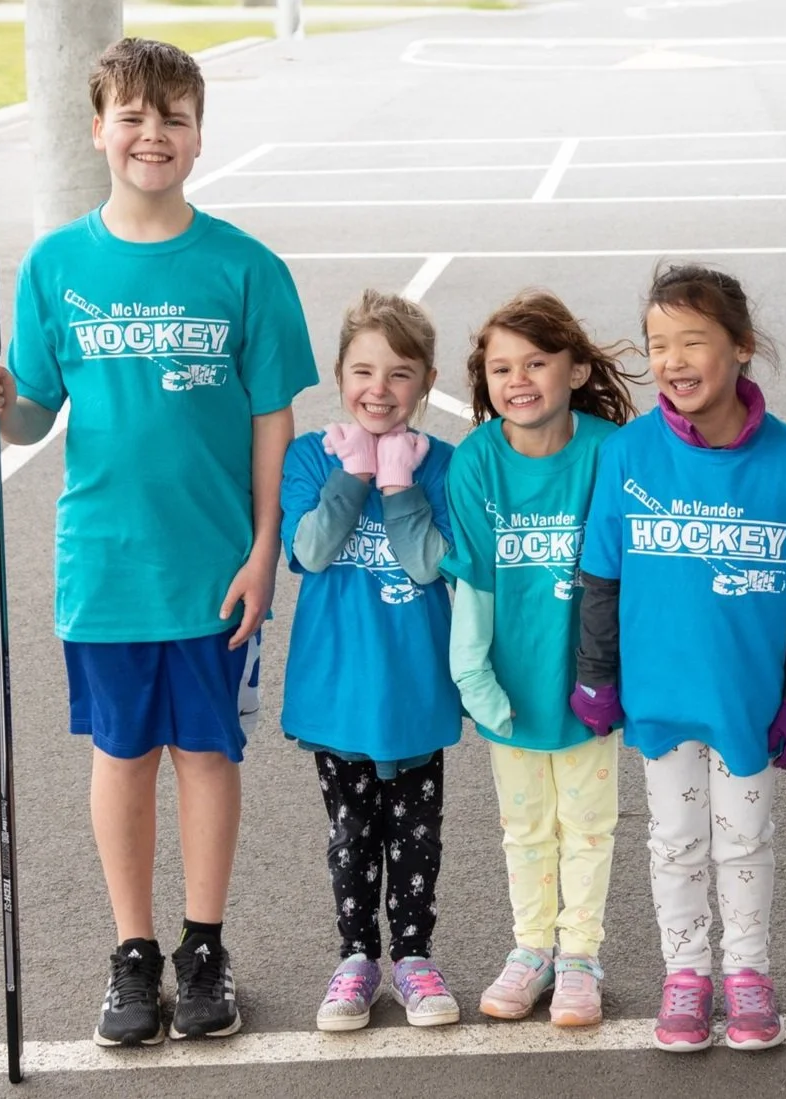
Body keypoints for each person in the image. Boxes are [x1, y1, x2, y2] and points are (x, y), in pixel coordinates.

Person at [0, 38, 316, 1047]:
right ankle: (134, 953)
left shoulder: (245, 269)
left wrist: (263, 551)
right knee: (122, 754)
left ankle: (205, 947)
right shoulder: (58, 265)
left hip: (212, 567)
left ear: (198, 134)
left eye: (173, 118)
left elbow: (271, 427)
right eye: (132, 116)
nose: (151, 136)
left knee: (207, 752)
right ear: (97, 130)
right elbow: (33, 415)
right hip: (106, 563)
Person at [574, 264, 786, 1053]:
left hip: (745, 700)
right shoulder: (628, 454)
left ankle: (748, 973)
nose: (674, 361)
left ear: (741, 348)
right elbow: (601, 576)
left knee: (746, 839)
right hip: (659, 698)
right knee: (675, 839)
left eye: (694, 341)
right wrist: (597, 672)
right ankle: (686, 974)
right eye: (660, 344)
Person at [442, 290, 638, 1027]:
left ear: (578, 369)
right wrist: (475, 678)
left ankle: (581, 953)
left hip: (587, 677)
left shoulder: (607, 451)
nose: (518, 379)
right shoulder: (476, 462)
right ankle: (532, 949)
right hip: (512, 682)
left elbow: (626, 571)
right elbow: (474, 582)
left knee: (589, 823)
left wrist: (619, 673)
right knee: (524, 825)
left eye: (536, 362)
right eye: (500, 368)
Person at [280, 290, 463, 1031]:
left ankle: (413, 956)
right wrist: (353, 475)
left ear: (425, 380)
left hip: (415, 684)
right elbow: (312, 548)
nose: (378, 389)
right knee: (352, 829)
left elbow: (428, 565)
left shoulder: (442, 465)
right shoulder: (308, 458)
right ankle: (356, 957)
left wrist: (397, 483)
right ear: (338, 373)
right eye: (363, 370)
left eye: (399, 372)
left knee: (417, 833)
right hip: (338, 689)